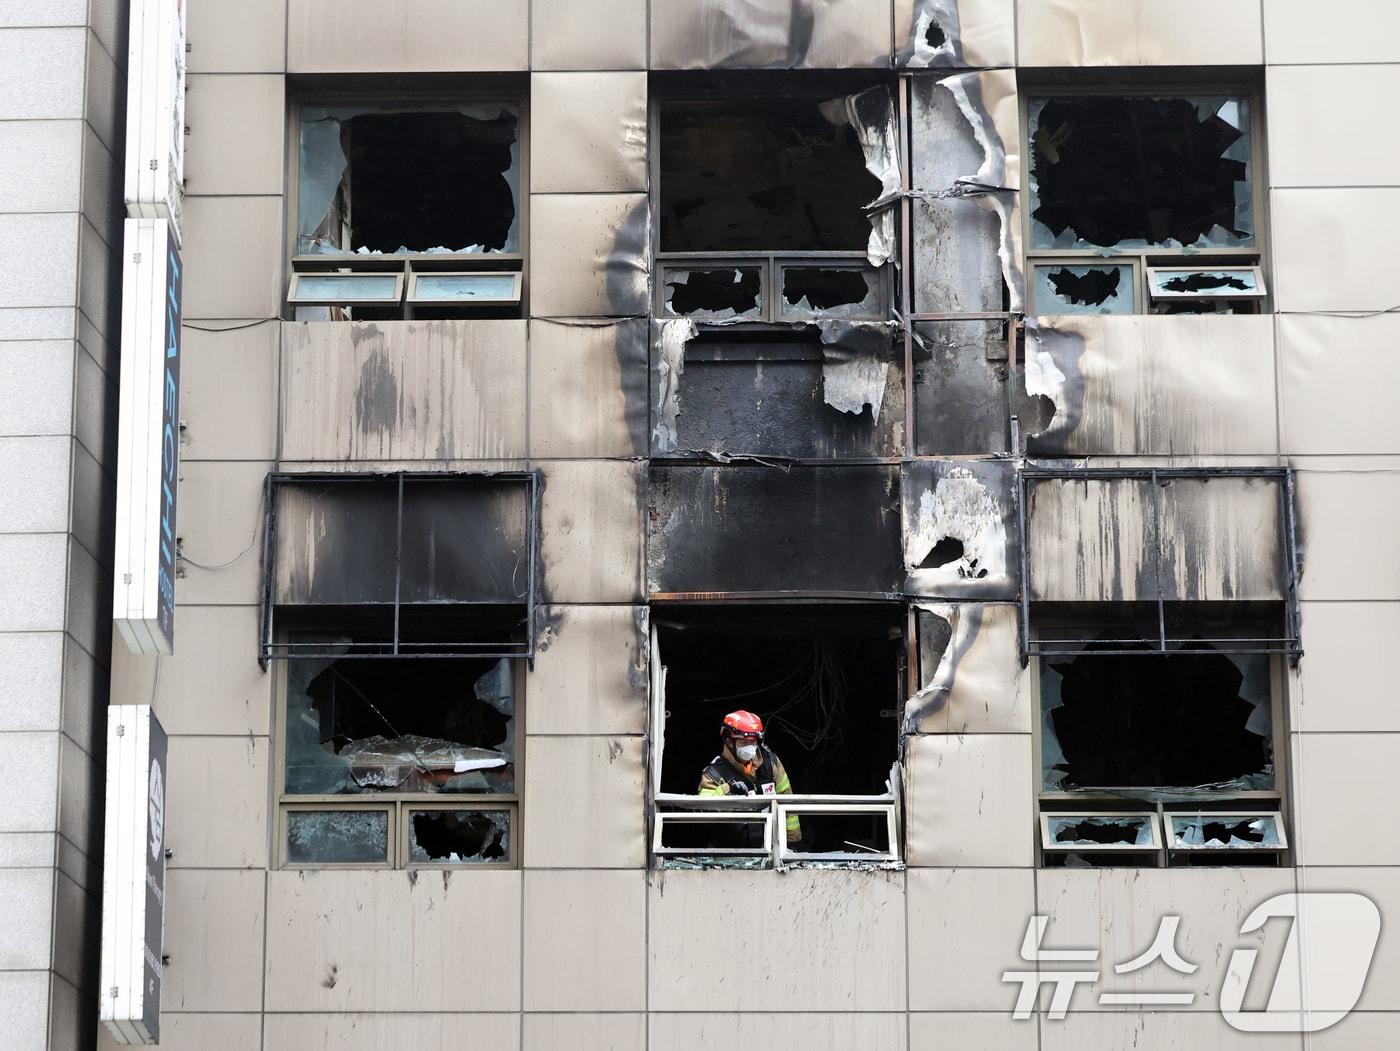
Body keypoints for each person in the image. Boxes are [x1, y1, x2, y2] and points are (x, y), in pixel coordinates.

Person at [697, 710, 801, 847]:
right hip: (728, 854)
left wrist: (792, 842)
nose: (749, 747)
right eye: (743, 742)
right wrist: (726, 790)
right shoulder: (714, 772)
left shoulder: (771, 764)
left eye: (752, 742)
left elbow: (787, 800)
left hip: (767, 850)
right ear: (728, 740)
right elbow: (702, 807)